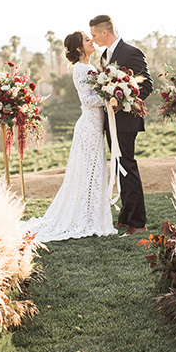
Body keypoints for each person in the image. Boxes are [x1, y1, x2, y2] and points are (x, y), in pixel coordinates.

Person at [26, 30, 117, 242]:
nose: (92, 41)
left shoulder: (91, 68)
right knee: (88, 172)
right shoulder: (80, 69)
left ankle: (93, 216)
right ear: (78, 48)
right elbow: (87, 100)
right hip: (89, 127)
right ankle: (87, 219)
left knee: (92, 172)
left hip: (95, 125)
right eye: (87, 40)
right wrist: (109, 94)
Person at [89, 14, 153, 236]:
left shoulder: (131, 52)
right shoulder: (105, 56)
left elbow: (147, 86)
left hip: (126, 121)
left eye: (94, 35)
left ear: (104, 32)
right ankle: (126, 217)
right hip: (111, 121)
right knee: (119, 167)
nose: (93, 39)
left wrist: (125, 102)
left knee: (127, 167)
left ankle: (138, 222)